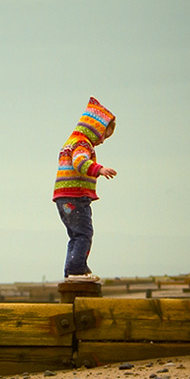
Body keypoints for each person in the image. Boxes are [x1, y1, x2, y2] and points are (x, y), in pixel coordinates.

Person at [53, 96, 116, 282]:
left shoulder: (70, 142)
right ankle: (77, 270)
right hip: (75, 196)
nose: (103, 141)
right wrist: (99, 169)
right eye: (104, 135)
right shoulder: (82, 144)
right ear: (96, 128)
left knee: (75, 235)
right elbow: (80, 162)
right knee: (83, 233)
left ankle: (72, 270)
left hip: (62, 197)